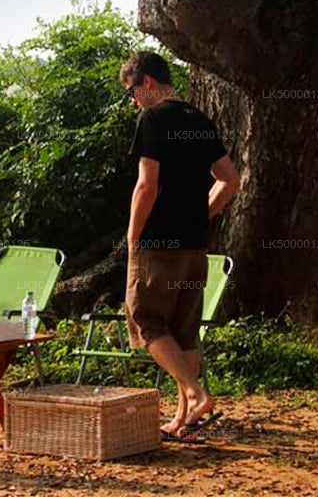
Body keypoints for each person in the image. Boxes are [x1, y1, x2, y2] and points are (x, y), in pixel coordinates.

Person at [119, 52, 240, 441]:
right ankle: (184, 418)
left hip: (158, 244)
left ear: (149, 83)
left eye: (132, 91)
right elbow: (230, 180)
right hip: (194, 245)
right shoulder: (198, 119)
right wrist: (201, 216)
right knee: (184, 330)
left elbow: (146, 185)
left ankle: (195, 392)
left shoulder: (152, 119)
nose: (133, 100)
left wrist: (133, 234)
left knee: (147, 320)